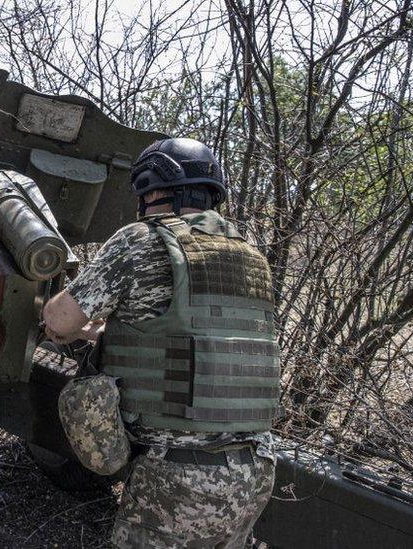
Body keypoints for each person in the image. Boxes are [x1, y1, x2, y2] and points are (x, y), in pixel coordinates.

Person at [43, 137, 279, 548]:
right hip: (255, 470)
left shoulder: (141, 240)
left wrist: (65, 321)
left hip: (178, 478)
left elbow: (60, 321)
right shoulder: (252, 256)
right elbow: (201, 340)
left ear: (153, 190)